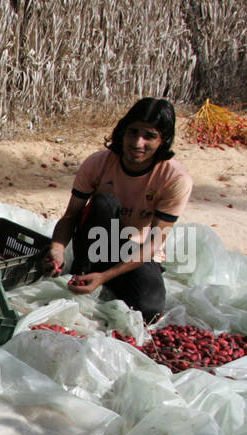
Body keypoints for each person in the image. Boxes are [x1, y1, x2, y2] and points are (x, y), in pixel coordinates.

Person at [45, 98, 193, 322]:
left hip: (137, 250)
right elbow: (70, 216)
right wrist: (57, 248)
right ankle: (84, 271)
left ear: (163, 141)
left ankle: (107, 277)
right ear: (122, 131)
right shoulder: (98, 163)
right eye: (132, 132)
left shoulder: (175, 179)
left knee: (150, 310)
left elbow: (154, 242)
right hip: (95, 241)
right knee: (105, 202)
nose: (137, 143)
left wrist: (106, 276)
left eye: (149, 136)